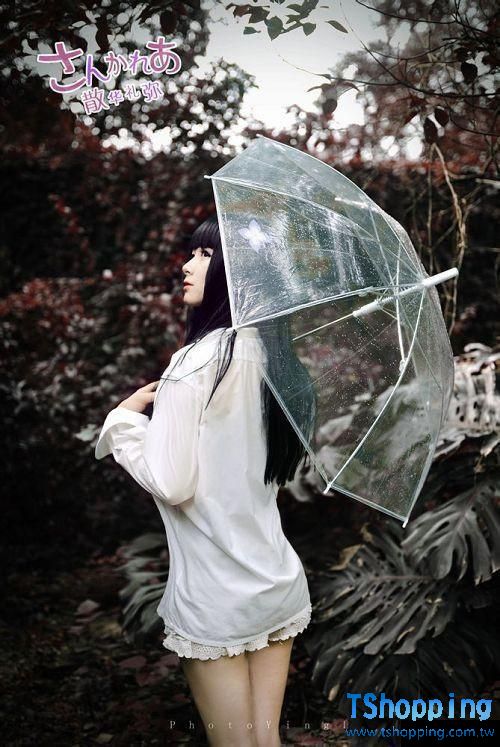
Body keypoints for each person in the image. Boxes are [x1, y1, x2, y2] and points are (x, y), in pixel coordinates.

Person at [94, 215, 317, 747]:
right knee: (265, 740)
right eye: (194, 253)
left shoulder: (194, 364)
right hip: (275, 582)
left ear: (238, 274)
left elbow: (172, 483)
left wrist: (123, 424)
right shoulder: (276, 362)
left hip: (216, 597)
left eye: (205, 255)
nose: (187, 266)